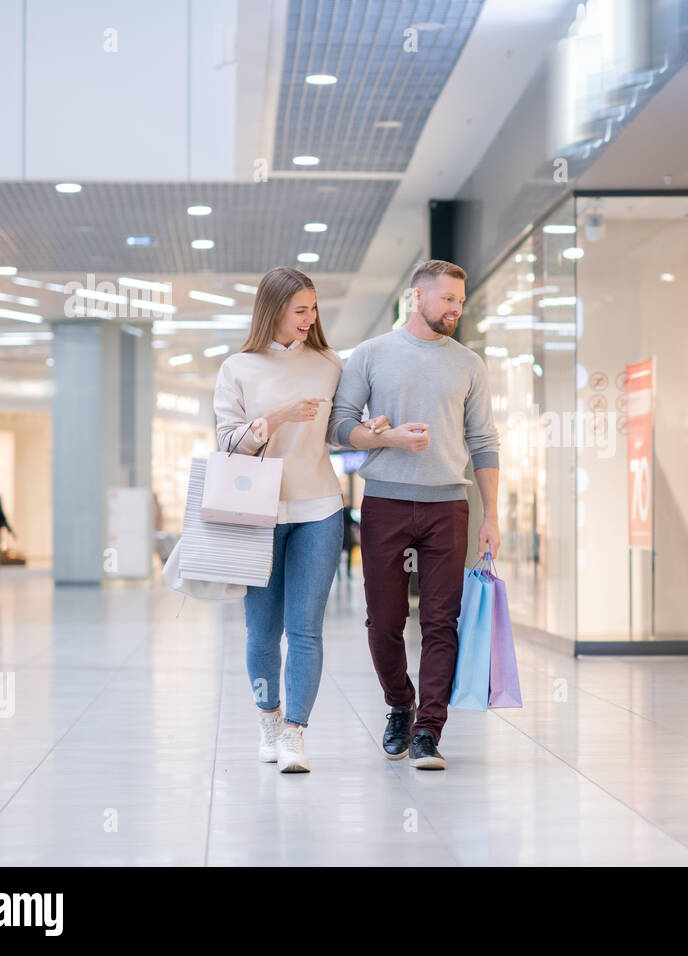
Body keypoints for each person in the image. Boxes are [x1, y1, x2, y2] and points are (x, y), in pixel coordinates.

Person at [329, 259, 500, 771]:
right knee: (384, 620)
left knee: (441, 621)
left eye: (460, 302)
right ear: (416, 298)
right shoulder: (372, 354)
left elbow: (484, 442)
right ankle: (399, 705)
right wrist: (384, 437)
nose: (455, 309)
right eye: (447, 299)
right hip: (384, 500)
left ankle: (429, 729)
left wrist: (491, 516)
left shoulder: (469, 363)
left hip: (448, 503)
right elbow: (339, 428)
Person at [212, 266, 348, 773]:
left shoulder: (330, 363)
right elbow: (227, 442)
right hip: (256, 513)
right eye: (300, 310)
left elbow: (339, 429)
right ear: (272, 310)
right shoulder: (238, 367)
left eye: (313, 309)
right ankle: (268, 720)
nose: (309, 319)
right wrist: (274, 419)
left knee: (306, 629)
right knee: (261, 631)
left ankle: (295, 733)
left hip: (319, 509)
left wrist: (368, 429)